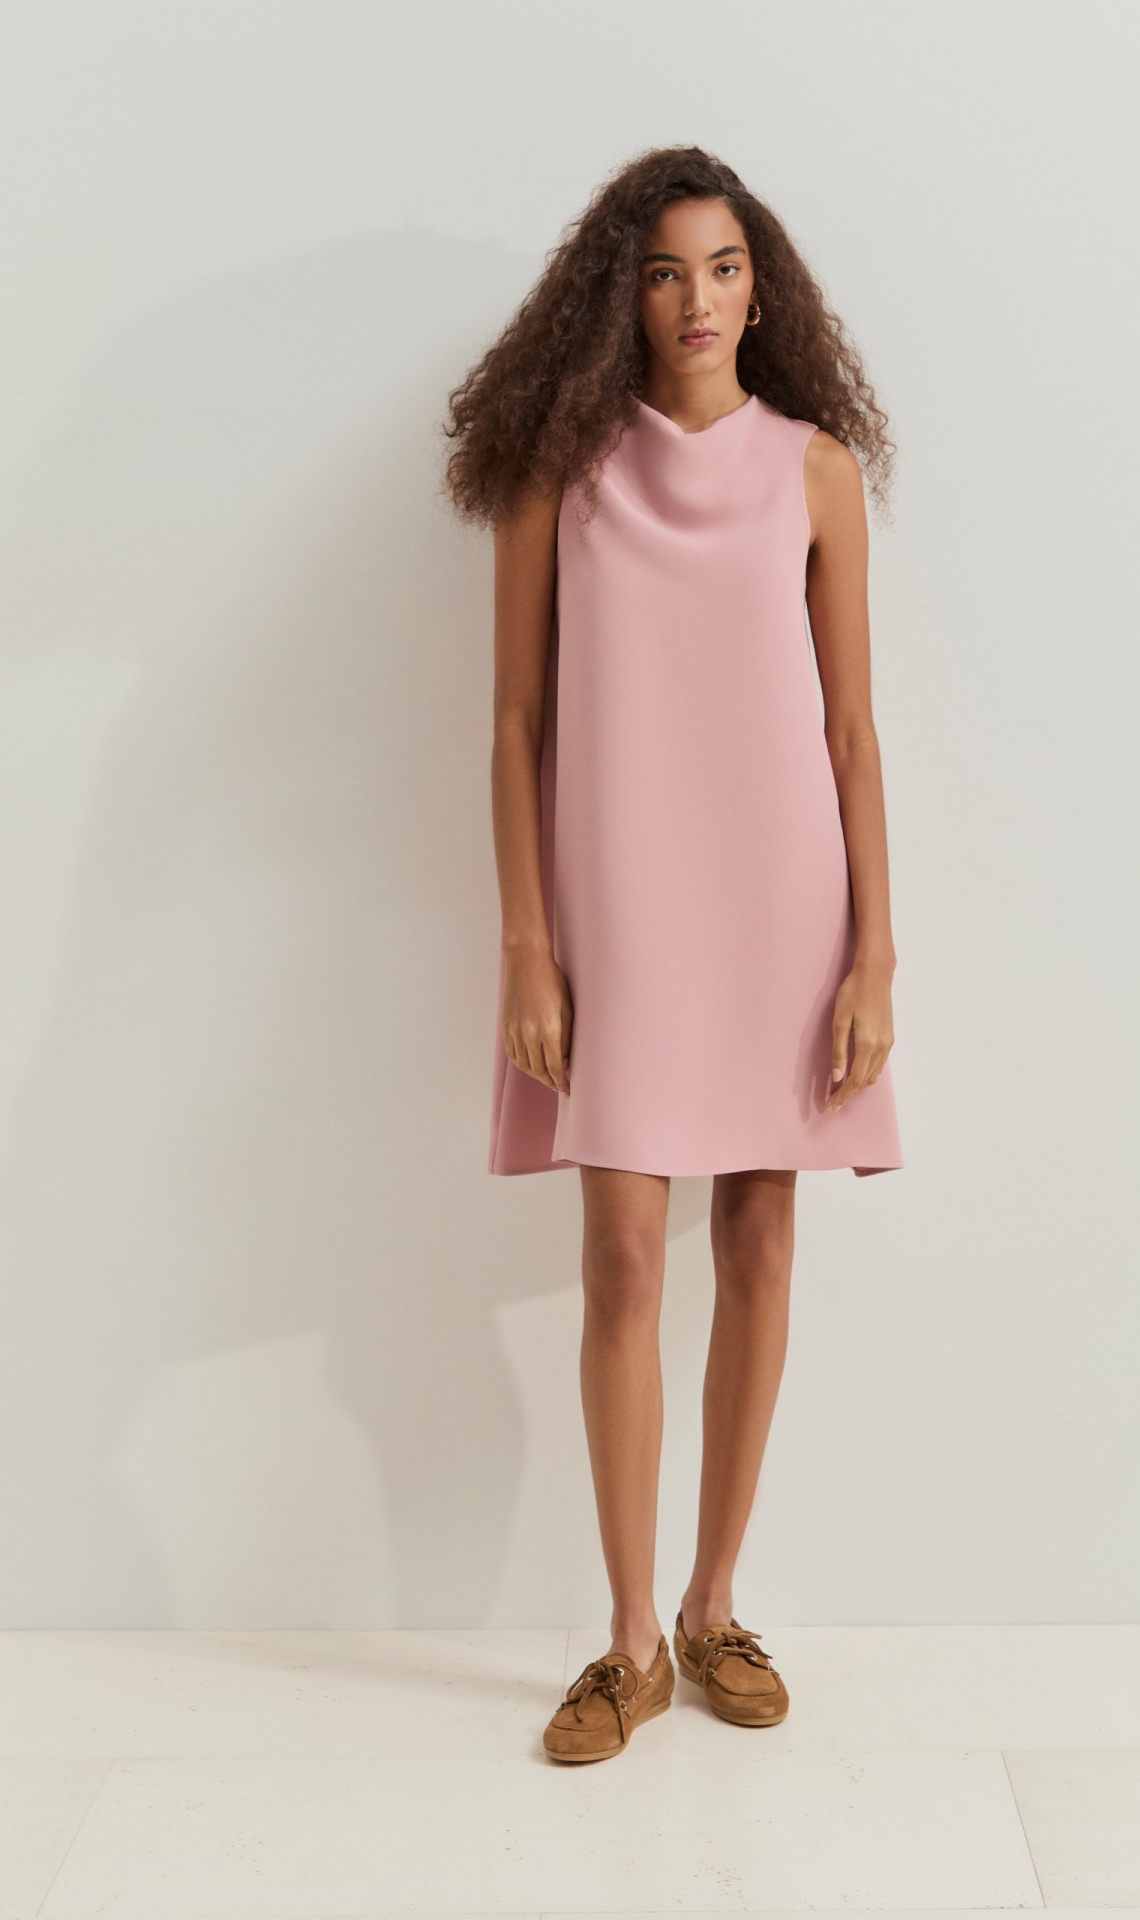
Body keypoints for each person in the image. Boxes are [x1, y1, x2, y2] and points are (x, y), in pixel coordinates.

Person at [442, 145, 904, 1763]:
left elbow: (851, 731)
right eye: (661, 272)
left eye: (721, 267)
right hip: (620, 900)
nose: (695, 299)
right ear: (619, 300)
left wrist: (876, 956)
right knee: (626, 1257)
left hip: (784, 896)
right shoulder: (558, 475)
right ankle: (629, 1640)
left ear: (759, 290)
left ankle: (714, 1608)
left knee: (761, 1241)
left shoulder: (815, 472)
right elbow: (514, 723)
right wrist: (527, 941)